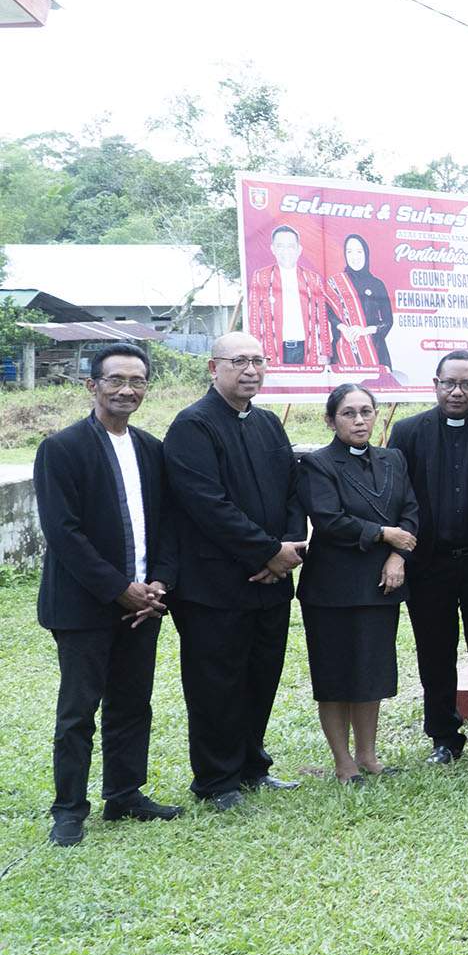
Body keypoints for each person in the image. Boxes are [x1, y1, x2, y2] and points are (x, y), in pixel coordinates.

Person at [36, 343, 180, 846]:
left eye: (137, 381)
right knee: (78, 710)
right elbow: (64, 533)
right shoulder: (62, 448)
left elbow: (166, 524)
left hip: (145, 604)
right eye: (116, 380)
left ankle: (124, 794)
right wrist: (120, 589)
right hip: (84, 605)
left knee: (133, 703)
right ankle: (69, 808)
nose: (127, 390)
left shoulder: (150, 448)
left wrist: (158, 582)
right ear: (91, 385)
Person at [163, 330, 308, 809]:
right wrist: (267, 552)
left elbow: (292, 491)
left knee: (261, 674)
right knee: (215, 683)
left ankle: (251, 765)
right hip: (214, 585)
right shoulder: (193, 426)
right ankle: (215, 781)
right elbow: (208, 505)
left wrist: (287, 549)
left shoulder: (268, 423)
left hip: (270, 581)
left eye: (258, 361)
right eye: (239, 361)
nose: (251, 370)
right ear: (213, 368)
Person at [389, 350, 468, 767]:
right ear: (435, 384)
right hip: (429, 563)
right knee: (435, 652)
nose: (457, 392)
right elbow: (396, 494)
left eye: (467, 384)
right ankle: (443, 736)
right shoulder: (407, 432)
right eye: (448, 383)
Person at [298, 384, 417, 784]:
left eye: (366, 411)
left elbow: (411, 512)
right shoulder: (318, 463)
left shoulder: (393, 459)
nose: (360, 420)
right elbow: (329, 519)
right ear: (331, 420)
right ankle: (342, 760)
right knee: (335, 676)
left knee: (371, 672)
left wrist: (399, 555)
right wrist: (385, 535)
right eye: (348, 413)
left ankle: (367, 755)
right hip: (332, 587)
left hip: (383, 582)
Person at [247, 225, 338, 368]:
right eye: (280, 246)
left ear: (299, 250)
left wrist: (324, 352)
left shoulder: (312, 278)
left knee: (308, 388)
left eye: (290, 246)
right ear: (273, 249)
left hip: (307, 349)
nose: (286, 251)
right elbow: (255, 319)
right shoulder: (261, 277)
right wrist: (256, 354)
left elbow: (322, 318)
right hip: (274, 349)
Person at [327, 233, 395, 374]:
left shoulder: (377, 284)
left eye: (359, 251)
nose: (354, 256)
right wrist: (343, 328)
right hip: (343, 352)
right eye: (349, 251)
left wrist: (364, 331)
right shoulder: (336, 283)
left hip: (375, 352)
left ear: (366, 253)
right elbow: (328, 312)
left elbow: (388, 321)